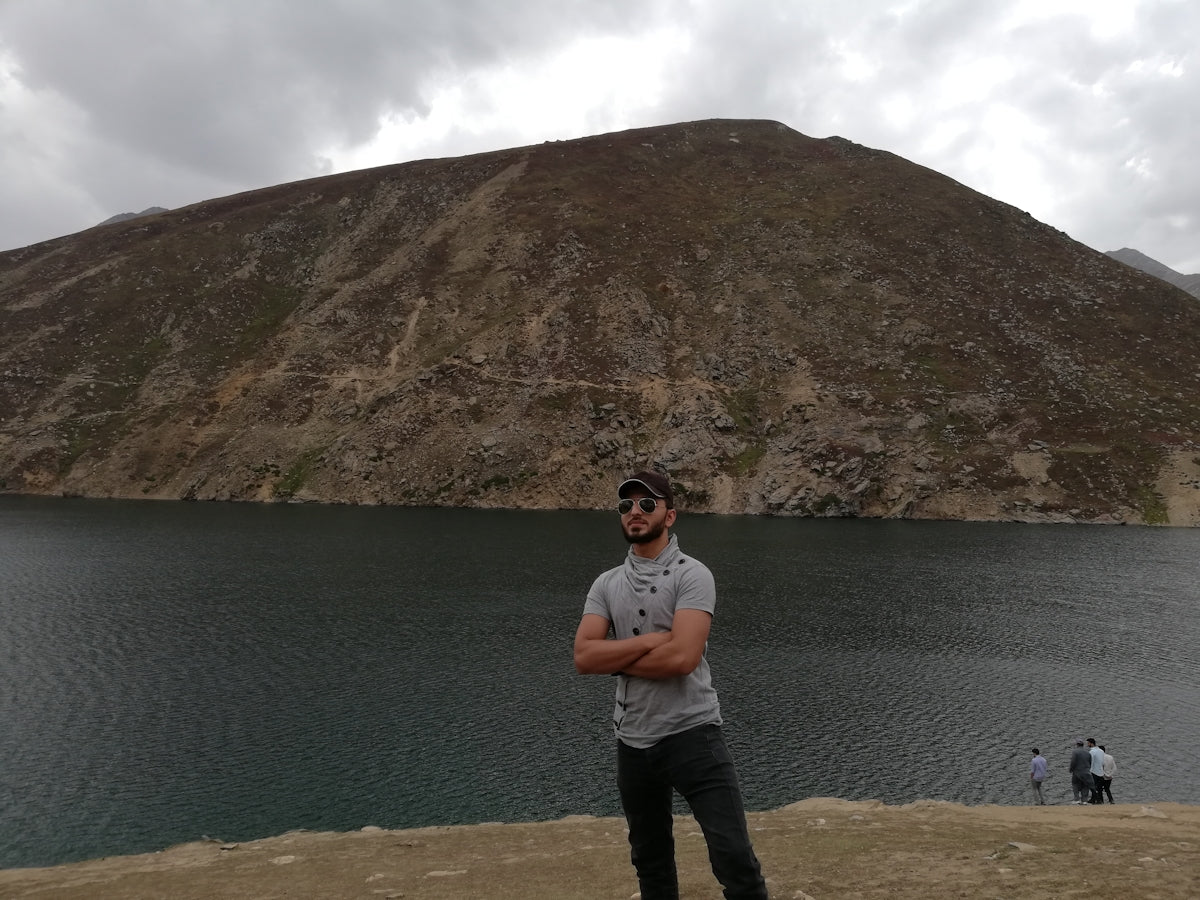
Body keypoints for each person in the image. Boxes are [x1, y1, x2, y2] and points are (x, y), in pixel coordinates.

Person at [574, 470, 769, 900]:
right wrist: (649, 642)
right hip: (633, 741)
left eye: (648, 504)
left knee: (733, 857)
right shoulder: (606, 583)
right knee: (650, 861)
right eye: (626, 506)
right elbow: (584, 657)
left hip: (693, 733)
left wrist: (617, 657)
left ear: (671, 515)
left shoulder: (693, 575)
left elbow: (682, 659)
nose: (635, 513)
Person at [1068, 739, 1094, 804]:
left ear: (1077, 745)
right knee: (1085, 785)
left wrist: (1071, 769)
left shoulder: (1075, 752)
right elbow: (1090, 762)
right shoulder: (1088, 753)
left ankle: (1077, 799)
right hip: (1086, 772)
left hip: (1077, 772)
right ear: (1083, 745)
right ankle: (1084, 800)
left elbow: (1073, 762)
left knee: (1075, 784)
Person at [1086, 738, 1106, 804]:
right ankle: (1097, 800)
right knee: (1099, 788)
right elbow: (1103, 762)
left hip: (1094, 771)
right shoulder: (1101, 751)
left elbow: (1091, 762)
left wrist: (1089, 770)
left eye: (1088, 743)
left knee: (1092, 786)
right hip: (1100, 771)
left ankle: (1097, 799)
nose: (1087, 744)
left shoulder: (1092, 752)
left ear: (1091, 743)